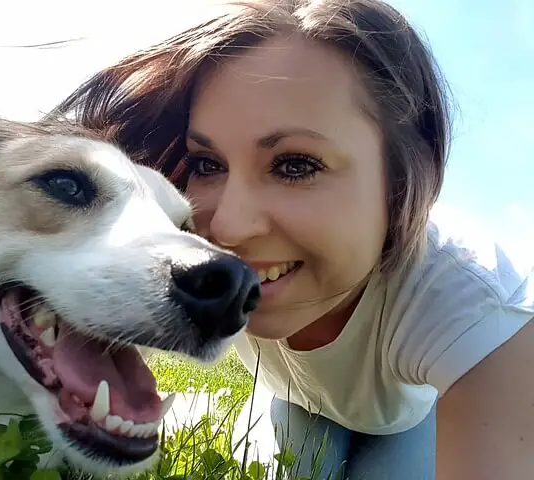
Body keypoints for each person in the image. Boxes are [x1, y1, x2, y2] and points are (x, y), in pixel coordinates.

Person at [48, 0, 534, 478]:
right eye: (207, 165)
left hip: (402, 422)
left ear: (404, 180)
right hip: (291, 402)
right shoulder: (180, 249)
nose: (228, 230)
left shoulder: (468, 301)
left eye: (296, 165)